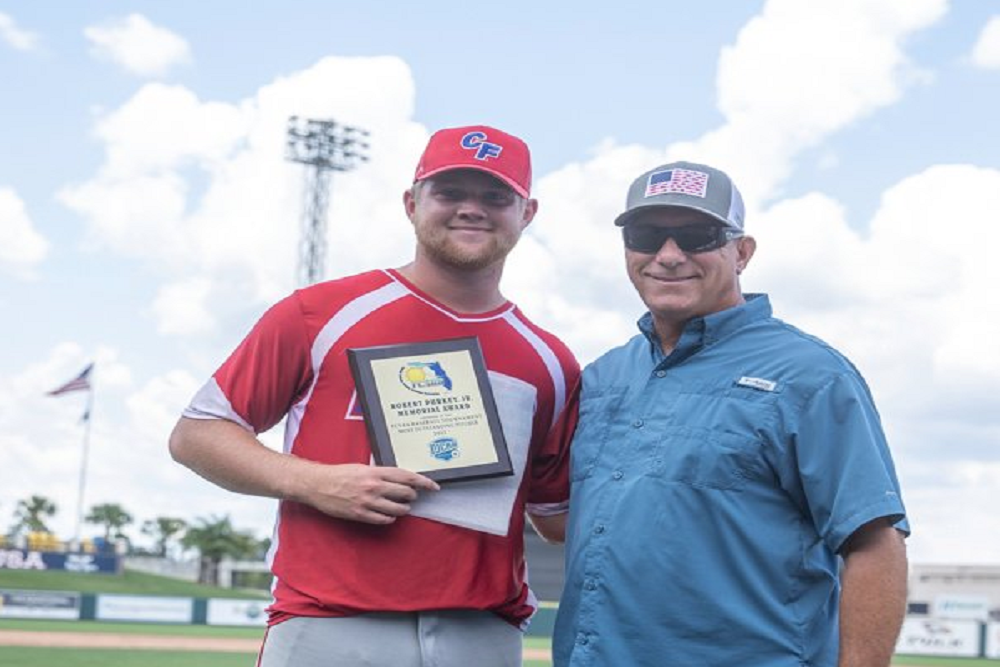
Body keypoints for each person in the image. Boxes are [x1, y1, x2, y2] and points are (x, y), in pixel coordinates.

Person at [169, 125, 579, 667]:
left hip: (480, 633)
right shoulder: (321, 313)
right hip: (330, 624)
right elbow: (195, 434)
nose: (471, 210)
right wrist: (314, 481)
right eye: (450, 193)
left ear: (526, 213)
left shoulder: (550, 362)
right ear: (412, 204)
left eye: (495, 197)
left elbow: (555, 517)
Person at [551, 161, 909, 666]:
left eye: (697, 235)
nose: (669, 255)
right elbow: (559, 518)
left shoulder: (810, 375)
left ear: (741, 252)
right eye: (647, 234)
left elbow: (875, 543)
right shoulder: (603, 377)